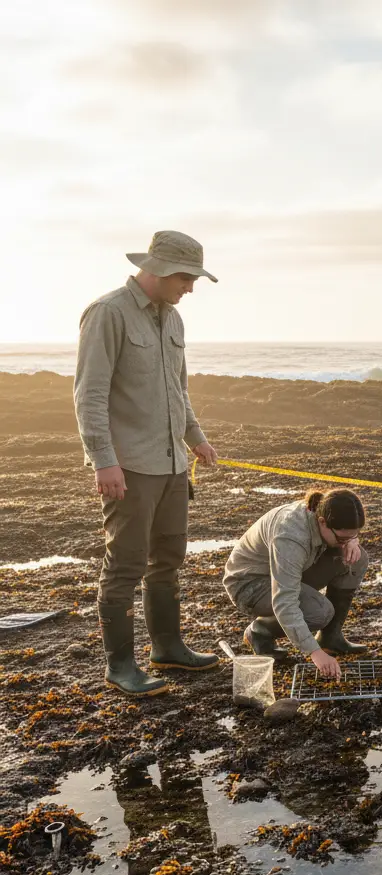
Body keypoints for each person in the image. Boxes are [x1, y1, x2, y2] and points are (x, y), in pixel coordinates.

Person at [74, 230, 220, 697]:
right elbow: (90, 395)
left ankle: (168, 647)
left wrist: (194, 438)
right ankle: (120, 666)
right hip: (129, 466)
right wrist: (103, 461)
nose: (191, 288)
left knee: (169, 560)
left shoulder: (173, 319)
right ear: (156, 269)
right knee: (125, 566)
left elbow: (179, 389)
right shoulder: (107, 313)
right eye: (185, 277)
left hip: (173, 465)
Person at [223, 489, 369, 679]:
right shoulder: (290, 536)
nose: (345, 542)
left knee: (357, 558)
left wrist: (351, 541)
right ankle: (260, 630)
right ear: (322, 521)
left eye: (352, 535)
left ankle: (330, 637)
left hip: (290, 570)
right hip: (250, 584)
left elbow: (345, 538)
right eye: (342, 538)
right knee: (320, 612)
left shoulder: (325, 513)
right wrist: (314, 652)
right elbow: (285, 602)